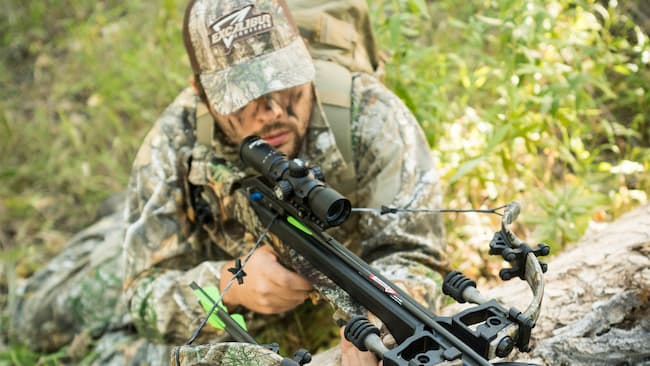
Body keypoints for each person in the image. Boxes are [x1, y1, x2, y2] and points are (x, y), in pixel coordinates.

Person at [13, 0, 447, 364]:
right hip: (205, 276)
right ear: (202, 96)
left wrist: (376, 325)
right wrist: (225, 285)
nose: (273, 109)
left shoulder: (369, 116)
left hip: (283, 320)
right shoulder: (175, 142)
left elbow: (413, 251)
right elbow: (144, 297)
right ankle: (115, 228)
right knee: (36, 320)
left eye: (285, 79)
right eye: (243, 95)